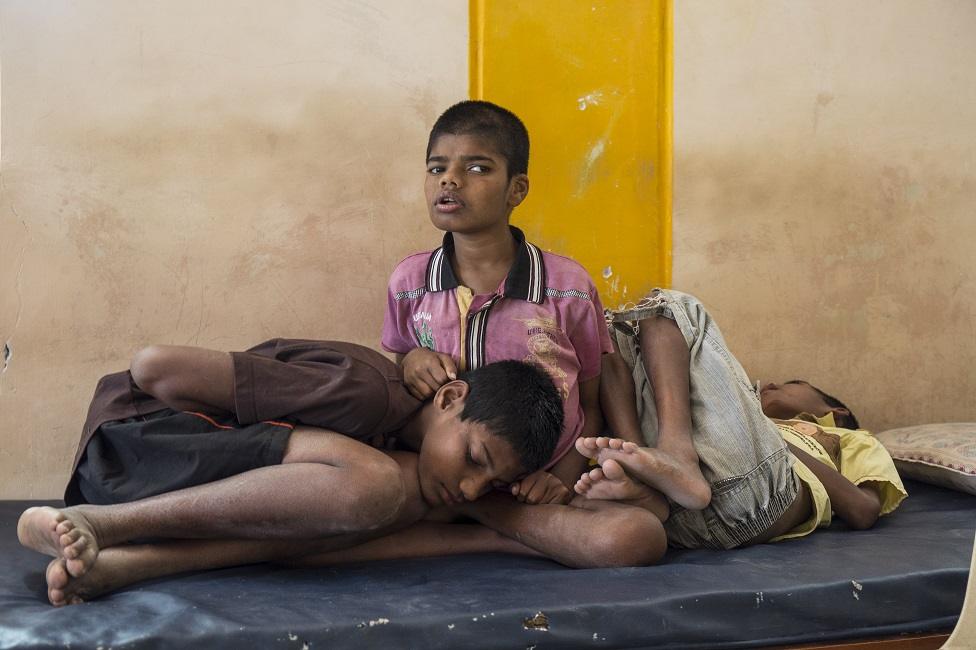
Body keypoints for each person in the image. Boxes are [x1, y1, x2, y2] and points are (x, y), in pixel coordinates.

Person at [17, 337, 569, 603]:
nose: (472, 488)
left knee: (357, 502)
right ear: (449, 398)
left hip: (153, 472)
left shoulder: (411, 451)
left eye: (491, 483)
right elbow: (153, 366)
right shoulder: (367, 391)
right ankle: (102, 523)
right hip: (136, 443)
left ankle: (122, 565)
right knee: (374, 484)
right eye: (475, 459)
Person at [383, 100, 614, 502]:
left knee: (626, 535)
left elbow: (591, 405)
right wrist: (412, 364)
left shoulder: (567, 287)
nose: (449, 181)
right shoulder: (410, 283)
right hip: (446, 475)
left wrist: (560, 479)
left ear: (517, 189)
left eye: (477, 169)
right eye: (437, 168)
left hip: (538, 487)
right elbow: (400, 381)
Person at [573, 289, 907, 549]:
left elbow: (863, 509)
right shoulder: (736, 423)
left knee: (672, 306)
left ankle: (670, 455)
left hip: (757, 501)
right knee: (607, 338)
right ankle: (647, 473)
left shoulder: (852, 438)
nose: (773, 384)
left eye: (794, 385)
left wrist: (775, 438)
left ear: (834, 412)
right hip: (676, 517)